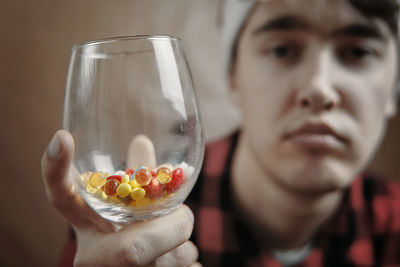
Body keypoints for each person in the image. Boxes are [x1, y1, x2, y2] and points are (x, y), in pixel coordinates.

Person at [41, 0, 400, 266]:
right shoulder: (122, 225)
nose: (320, 88)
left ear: (394, 88)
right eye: (281, 49)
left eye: (359, 51)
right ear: (233, 76)